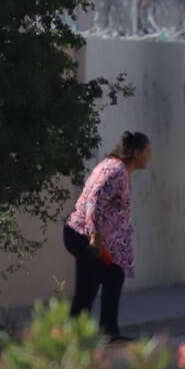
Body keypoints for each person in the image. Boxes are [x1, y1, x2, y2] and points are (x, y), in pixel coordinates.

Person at [64, 131, 151, 340]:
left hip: (78, 234)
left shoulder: (113, 167)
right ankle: (107, 332)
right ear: (136, 153)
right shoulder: (116, 170)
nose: (150, 156)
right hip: (84, 236)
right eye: (147, 151)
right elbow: (95, 200)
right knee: (112, 275)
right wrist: (94, 236)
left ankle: (71, 336)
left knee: (88, 286)